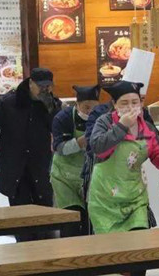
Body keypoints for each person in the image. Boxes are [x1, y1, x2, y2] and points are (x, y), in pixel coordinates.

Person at [0, 68, 61, 241]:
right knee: (21, 220)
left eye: (48, 86)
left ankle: (45, 253)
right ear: (30, 83)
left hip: (41, 168)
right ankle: (25, 251)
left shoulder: (52, 104)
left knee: (45, 217)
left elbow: (57, 131)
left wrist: (50, 109)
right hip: (15, 169)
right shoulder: (7, 103)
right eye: (40, 86)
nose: (44, 90)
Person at [88, 81, 159, 238]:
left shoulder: (148, 128)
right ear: (115, 105)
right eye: (124, 103)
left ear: (141, 104)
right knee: (112, 247)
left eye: (135, 102)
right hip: (105, 200)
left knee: (139, 240)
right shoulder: (105, 122)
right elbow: (97, 148)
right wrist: (121, 126)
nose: (130, 107)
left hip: (135, 198)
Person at [51, 84, 100, 237]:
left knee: (90, 221)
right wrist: (81, 142)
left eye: (94, 108)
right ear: (77, 104)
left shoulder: (102, 118)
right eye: (86, 107)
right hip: (64, 177)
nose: (90, 112)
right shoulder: (63, 118)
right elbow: (59, 148)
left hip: (90, 177)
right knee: (71, 220)